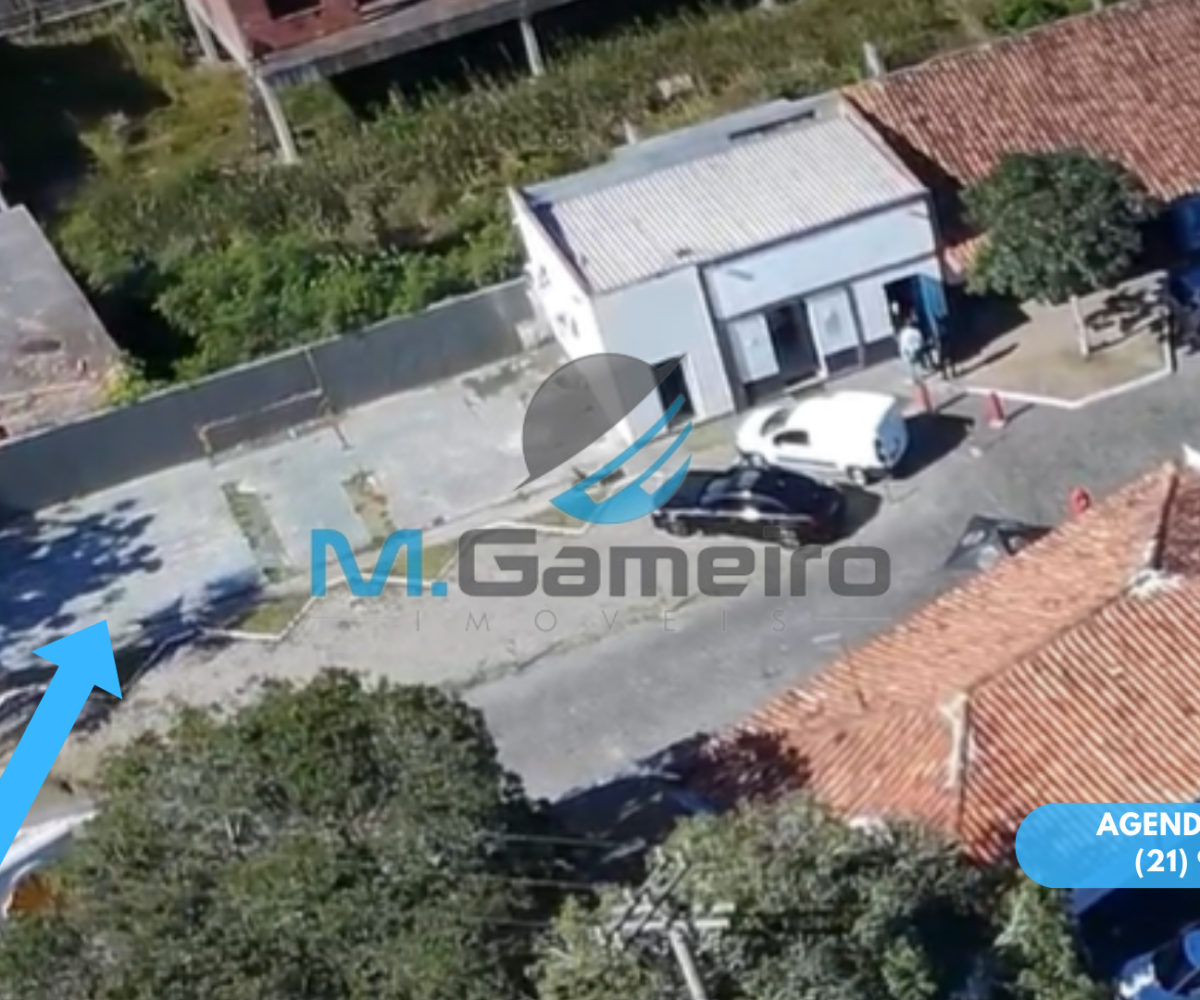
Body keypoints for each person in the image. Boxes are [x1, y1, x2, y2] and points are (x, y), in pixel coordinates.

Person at [897, 314, 925, 381]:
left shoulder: (903, 333)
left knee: (911, 365)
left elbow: (903, 344)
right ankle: (919, 376)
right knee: (917, 363)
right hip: (916, 349)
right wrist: (919, 346)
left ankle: (915, 378)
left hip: (909, 351)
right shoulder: (915, 331)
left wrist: (903, 352)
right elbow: (920, 339)